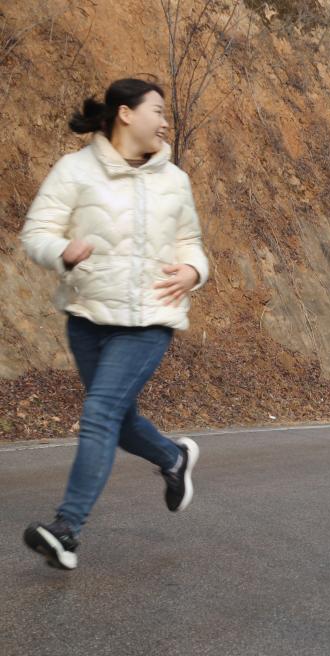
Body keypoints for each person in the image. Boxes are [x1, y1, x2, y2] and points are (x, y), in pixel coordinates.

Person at [19, 79, 209, 570]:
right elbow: (37, 232)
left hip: (149, 319)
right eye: (157, 111)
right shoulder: (75, 170)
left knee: (100, 414)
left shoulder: (174, 180)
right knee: (119, 422)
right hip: (87, 316)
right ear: (126, 113)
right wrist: (62, 252)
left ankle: (66, 530)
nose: (165, 121)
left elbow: (190, 242)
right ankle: (172, 458)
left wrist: (194, 271)